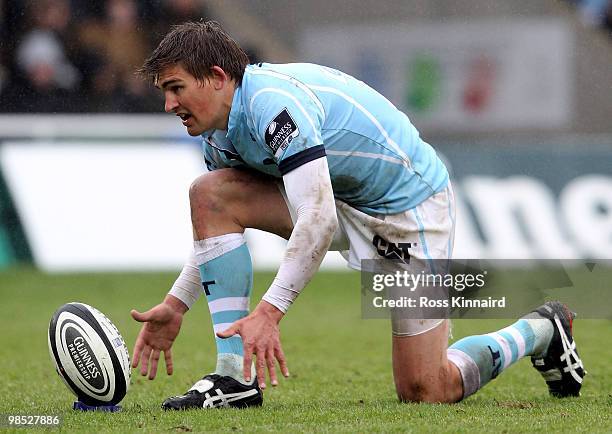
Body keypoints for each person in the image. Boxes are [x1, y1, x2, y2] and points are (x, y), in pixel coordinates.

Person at [130, 21, 586, 410]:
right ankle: (233, 379)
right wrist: (176, 304)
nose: (170, 105)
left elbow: (318, 216)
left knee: (426, 389)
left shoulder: (274, 105)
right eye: (165, 93)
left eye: (176, 88)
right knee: (210, 193)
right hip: (339, 200)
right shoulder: (217, 136)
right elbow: (219, 231)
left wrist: (270, 312)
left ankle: (541, 329)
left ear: (215, 76)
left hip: (407, 209)